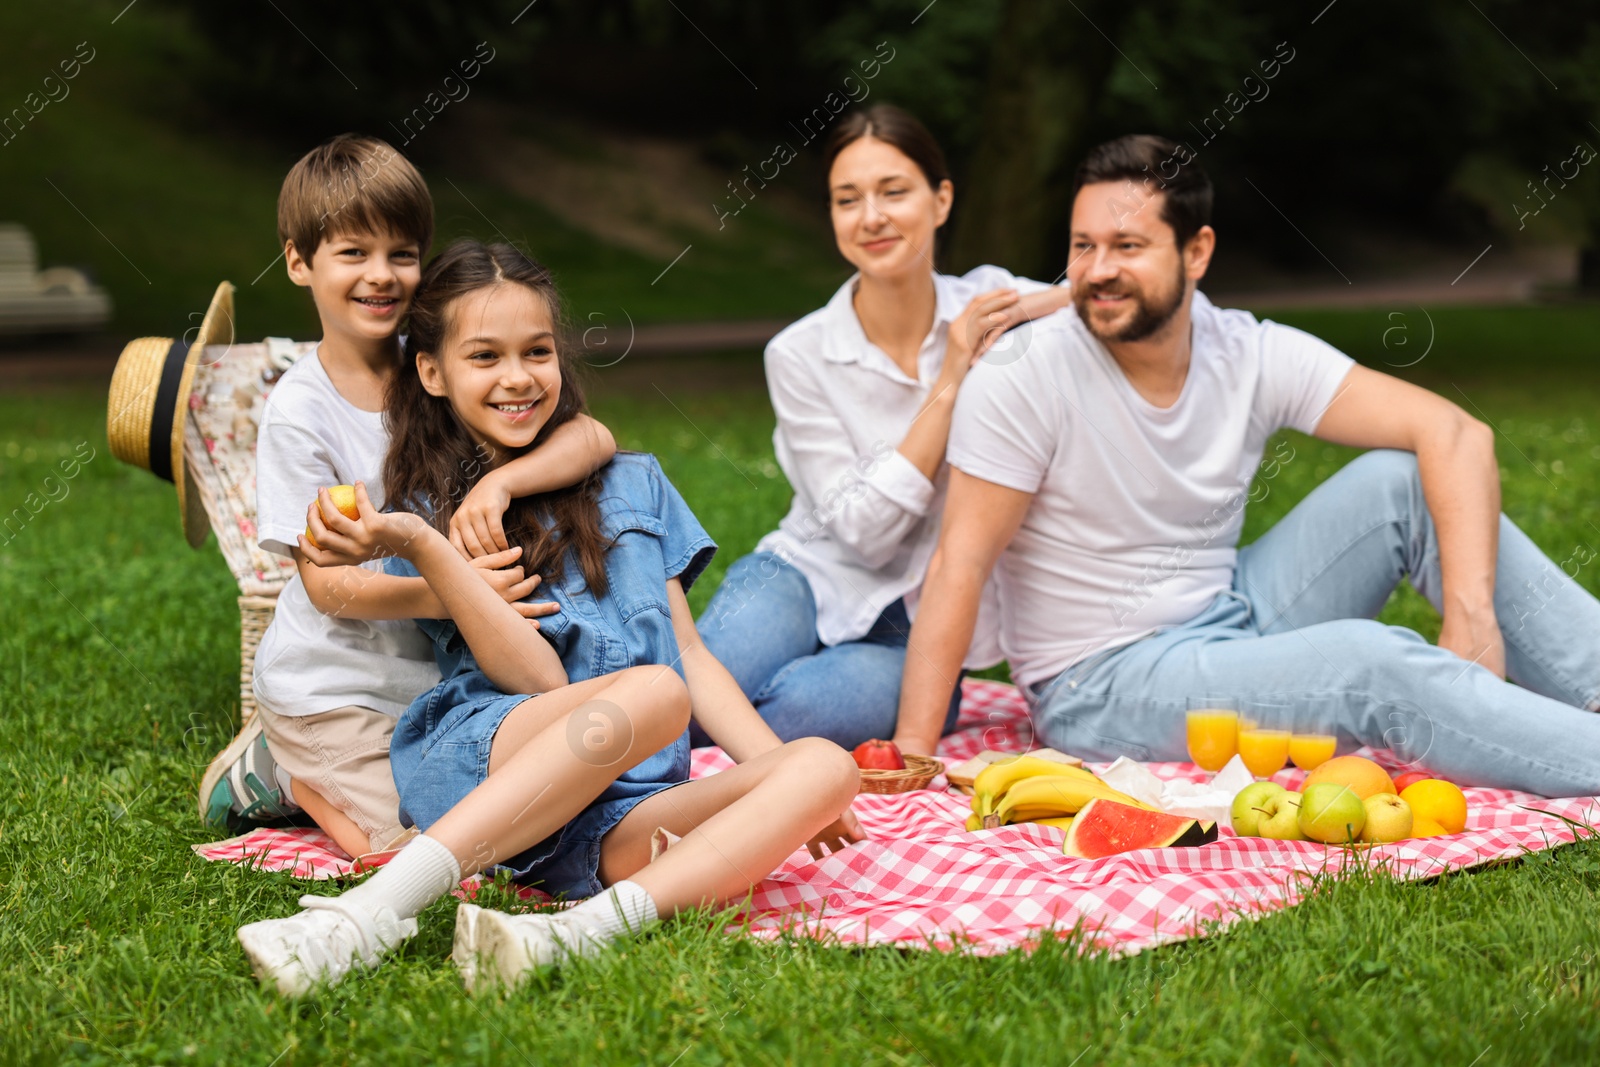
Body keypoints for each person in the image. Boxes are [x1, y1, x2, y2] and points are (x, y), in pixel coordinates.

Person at [237, 240, 862, 997]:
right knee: (653, 694)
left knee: (826, 765)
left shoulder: (633, 482)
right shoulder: (430, 515)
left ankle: (566, 935)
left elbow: (690, 653)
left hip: (619, 809)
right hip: (486, 765)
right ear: (432, 372)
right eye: (485, 357)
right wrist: (420, 544)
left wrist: (774, 775)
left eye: (537, 351)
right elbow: (533, 677)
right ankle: (364, 916)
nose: (517, 377)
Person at [895, 134, 1600, 798]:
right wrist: (912, 752)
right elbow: (961, 560)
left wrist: (1472, 618)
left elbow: (1455, 431)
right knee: (1370, 666)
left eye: (1127, 245)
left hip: (1233, 610)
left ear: (1197, 251)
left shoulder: (1245, 351)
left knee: (1406, 483)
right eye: (1083, 246)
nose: (1099, 268)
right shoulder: (1026, 374)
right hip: (1103, 682)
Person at [200, 134, 617, 860]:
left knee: (533, 812)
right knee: (420, 849)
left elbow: (593, 436)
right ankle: (286, 774)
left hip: (436, 683)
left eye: (401, 253)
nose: (381, 275)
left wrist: (500, 480)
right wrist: (453, 590)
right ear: (298, 261)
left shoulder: (435, 368)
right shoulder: (302, 411)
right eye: (352, 253)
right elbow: (328, 586)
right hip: (334, 688)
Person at [695, 105, 1071, 750]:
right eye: (848, 200)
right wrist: (951, 377)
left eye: (894, 192)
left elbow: (1118, 290)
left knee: (798, 717)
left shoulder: (988, 303)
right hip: (805, 573)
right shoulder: (798, 352)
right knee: (694, 701)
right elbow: (865, 534)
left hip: (922, 621)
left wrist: (1028, 307)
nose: (871, 217)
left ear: (941, 199)